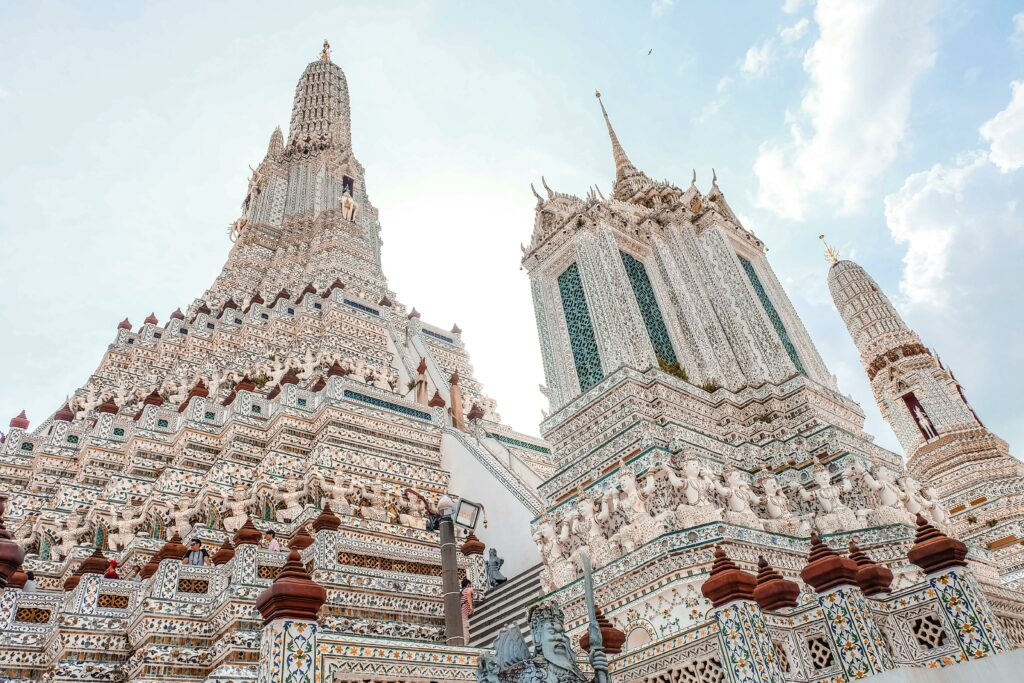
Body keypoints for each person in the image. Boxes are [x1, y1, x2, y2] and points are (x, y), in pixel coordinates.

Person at [460, 578, 474, 643]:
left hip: (461, 610)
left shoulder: (462, 592)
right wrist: (471, 607)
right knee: (465, 626)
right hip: (464, 611)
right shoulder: (468, 589)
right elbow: (468, 594)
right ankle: (466, 642)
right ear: (468, 584)